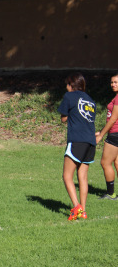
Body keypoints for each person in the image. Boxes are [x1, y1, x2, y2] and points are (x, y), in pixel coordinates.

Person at [58, 73, 96, 220]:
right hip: (90, 142)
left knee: (67, 175)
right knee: (83, 177)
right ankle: (84, 211)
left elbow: (63, 118)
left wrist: (70, 115)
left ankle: (76, 206)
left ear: (71, 85)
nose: (66, 88)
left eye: (67, 85)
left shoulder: (69, 96)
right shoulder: (91, 100)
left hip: (77, 140)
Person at [95, 73, 118, 200]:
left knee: (105, 162)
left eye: (116, 82)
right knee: (117, 162)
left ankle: (111, 194)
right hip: (115, 132)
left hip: (115, 134)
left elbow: (114, 118)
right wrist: (101, 131)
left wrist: (101, 135)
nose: (113, 85)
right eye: (112, 82)